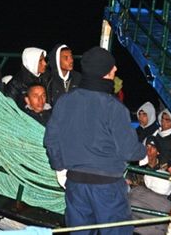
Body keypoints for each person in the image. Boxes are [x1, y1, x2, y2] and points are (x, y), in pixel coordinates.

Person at [44, 46, 146, 235]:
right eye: (112, 67)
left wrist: (60, 167)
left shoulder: (65, 101)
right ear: (103, 72)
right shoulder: (115, 108)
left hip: (75, 184)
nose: (115, 70)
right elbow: (128, 151)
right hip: (108, 187)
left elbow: (51, 139)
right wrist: (144, 152)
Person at [127, 135, 171, 235]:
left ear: (158, 151)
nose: (149, 150)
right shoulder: (136, 167)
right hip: (140, 204)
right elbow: (129, 184)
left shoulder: (165, 167)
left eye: (152, 147)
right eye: (147, 147)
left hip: (157, 204)